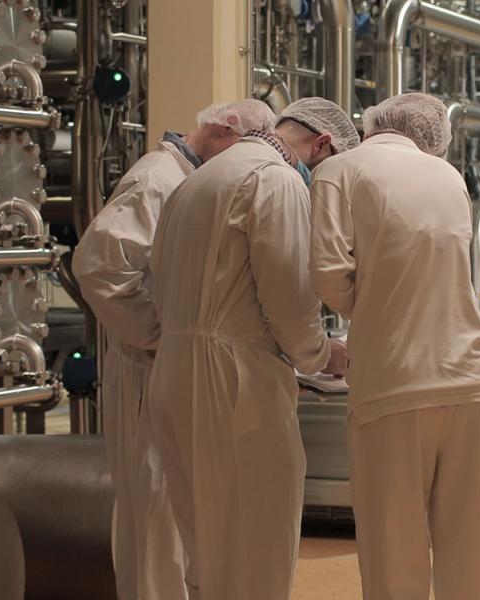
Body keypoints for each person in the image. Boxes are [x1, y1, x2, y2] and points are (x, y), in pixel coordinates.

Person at [145, 97, 359, 599]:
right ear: (321, 144)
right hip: (233, 380)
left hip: (175, 372)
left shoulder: (197, 180)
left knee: (207, 546)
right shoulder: (275, 181)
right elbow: (287, 299)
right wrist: (325, 354)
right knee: (253, 541)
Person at [72, 99, 277, 600]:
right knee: (156, 521)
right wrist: (165, 337)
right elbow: (98, 267)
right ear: (223, 129)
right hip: (149, 370)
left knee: (177, 519)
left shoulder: (185, 178)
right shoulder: (157, 179)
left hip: (171, 370)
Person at [309, 93, 480, 599]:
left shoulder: (340, 170)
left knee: (393, 557)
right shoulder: (449, 176)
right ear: (434, 138)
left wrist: (375, 311)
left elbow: (329, 275)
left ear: (368, 126)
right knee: (471, 554)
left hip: (396, 387)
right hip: (476, 382)